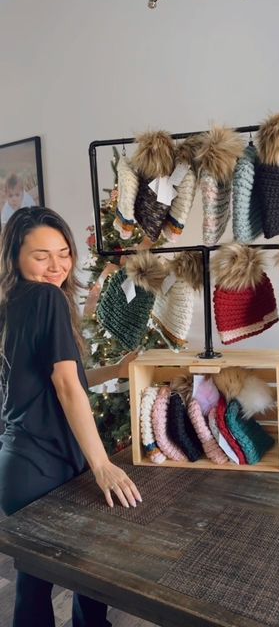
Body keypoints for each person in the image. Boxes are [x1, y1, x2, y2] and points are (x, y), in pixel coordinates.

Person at [0, 206, 142, 627]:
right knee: (90, 576)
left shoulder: (12, 303)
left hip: (18, 465)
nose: (56, 266)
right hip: (51, 464)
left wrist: (114, 371)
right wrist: (102, 465)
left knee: (34, 585)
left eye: (63, 253)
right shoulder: (47, 299)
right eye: (41, 255)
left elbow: (58, 377)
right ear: (15, 256)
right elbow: (65, 385)